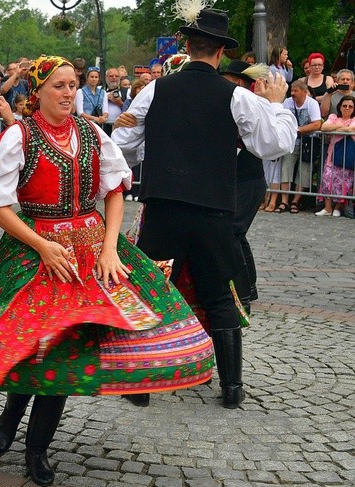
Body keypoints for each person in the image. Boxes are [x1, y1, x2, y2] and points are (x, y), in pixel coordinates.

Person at [0, 56, 214, 487]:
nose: (69, 93)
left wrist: (110, 249)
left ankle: (36, 448)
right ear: (37, 92)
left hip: (90, 252)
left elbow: (114, 190)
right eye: (59, 86)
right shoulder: (21, 134)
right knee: (33, 342)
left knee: (64, 350)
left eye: (73, 85)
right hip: (38, 252)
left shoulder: (92, 133)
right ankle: (13, 412)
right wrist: (41, 245)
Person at [112, 5, 296, 409]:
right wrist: (279, 105)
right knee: (217, 296)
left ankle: (140, 386)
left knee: (153, 292)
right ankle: (232, 387)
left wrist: (139, 134)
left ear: (189, 46)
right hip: (212, 212)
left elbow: (122, 145)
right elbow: (274, 145)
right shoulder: (235, 96)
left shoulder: (155, 89)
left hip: (162, 210)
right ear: (218, 52)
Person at [221, 60, 269, 315]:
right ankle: (249, 287)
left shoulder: (253, 106)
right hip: (237, 180)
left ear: (240, 83)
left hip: (250, 180)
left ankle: (243, 293)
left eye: (230, 80)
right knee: (237, 233)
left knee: (234, 231)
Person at [280, 80, 322, 214]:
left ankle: (295, 201)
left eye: (295, 91)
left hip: (307, 142)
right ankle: (284, 200)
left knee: (304, 172)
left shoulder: (312, 103)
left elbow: (317, 124)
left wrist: (298, 130)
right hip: (290, 143)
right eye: (291, 90)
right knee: (285, 169)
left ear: (304, 92)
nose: (292, 93)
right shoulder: (287, 102)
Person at [316, 95, 355, 217]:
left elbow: (352, 129)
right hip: (332, 155)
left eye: (350, 106)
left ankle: (338, 207)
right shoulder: (333, 117)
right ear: (340, 107)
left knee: (344, 183)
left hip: (348, 156)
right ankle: (327, 207)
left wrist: (338, 128)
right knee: (327, 180)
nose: (347, 108)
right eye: (344, 106)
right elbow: (324, 127)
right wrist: (343, 127)